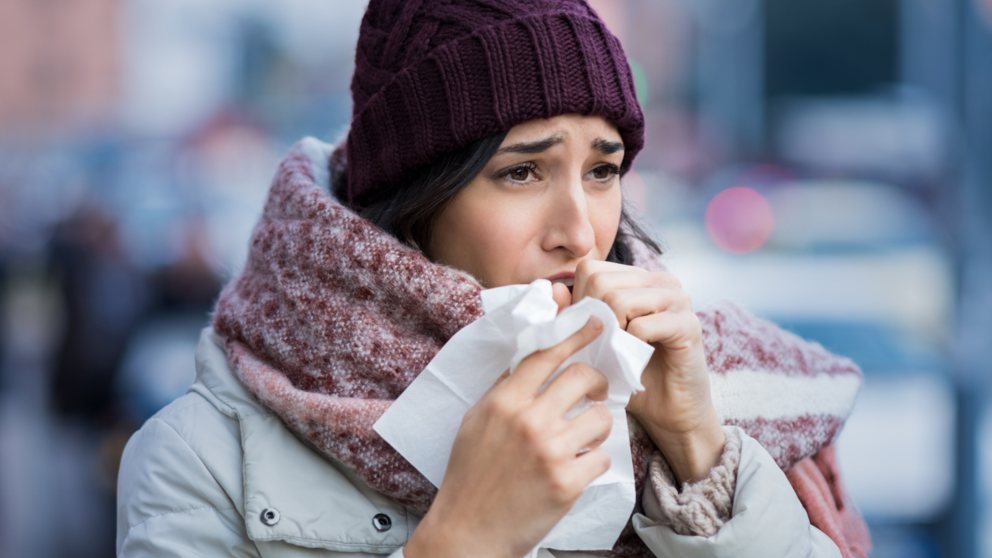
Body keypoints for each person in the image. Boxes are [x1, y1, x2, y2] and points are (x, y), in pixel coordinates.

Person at [116, 1, 872, 557]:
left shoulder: (703, 384)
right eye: (521, 172)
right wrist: (463, 538)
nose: (580, 230)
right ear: (417, 198)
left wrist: (699, 451)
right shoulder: (203, 458)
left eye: (603, 169)